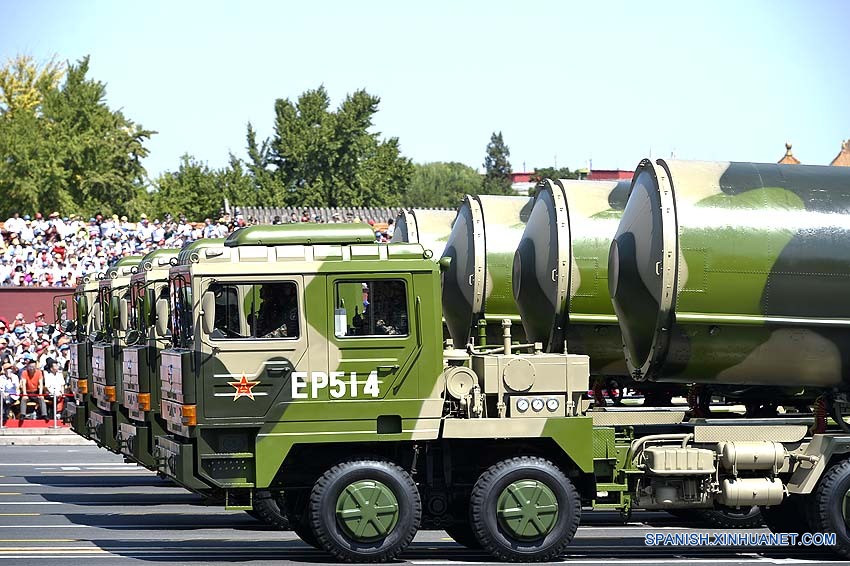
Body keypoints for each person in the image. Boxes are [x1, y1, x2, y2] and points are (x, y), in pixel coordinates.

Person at [19, 354, 47, 419]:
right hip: (28, 392)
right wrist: (25, 393)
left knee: (41, 398)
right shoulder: (24, 372)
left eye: (33, 366)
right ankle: (22, 415)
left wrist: (40, 393)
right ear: (28, 366)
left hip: (35, 392)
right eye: (30, 366)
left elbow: (40, 383)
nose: (32, 368)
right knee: (24, 399)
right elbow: (24, 383)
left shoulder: (39, 372)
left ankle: (44, 415)